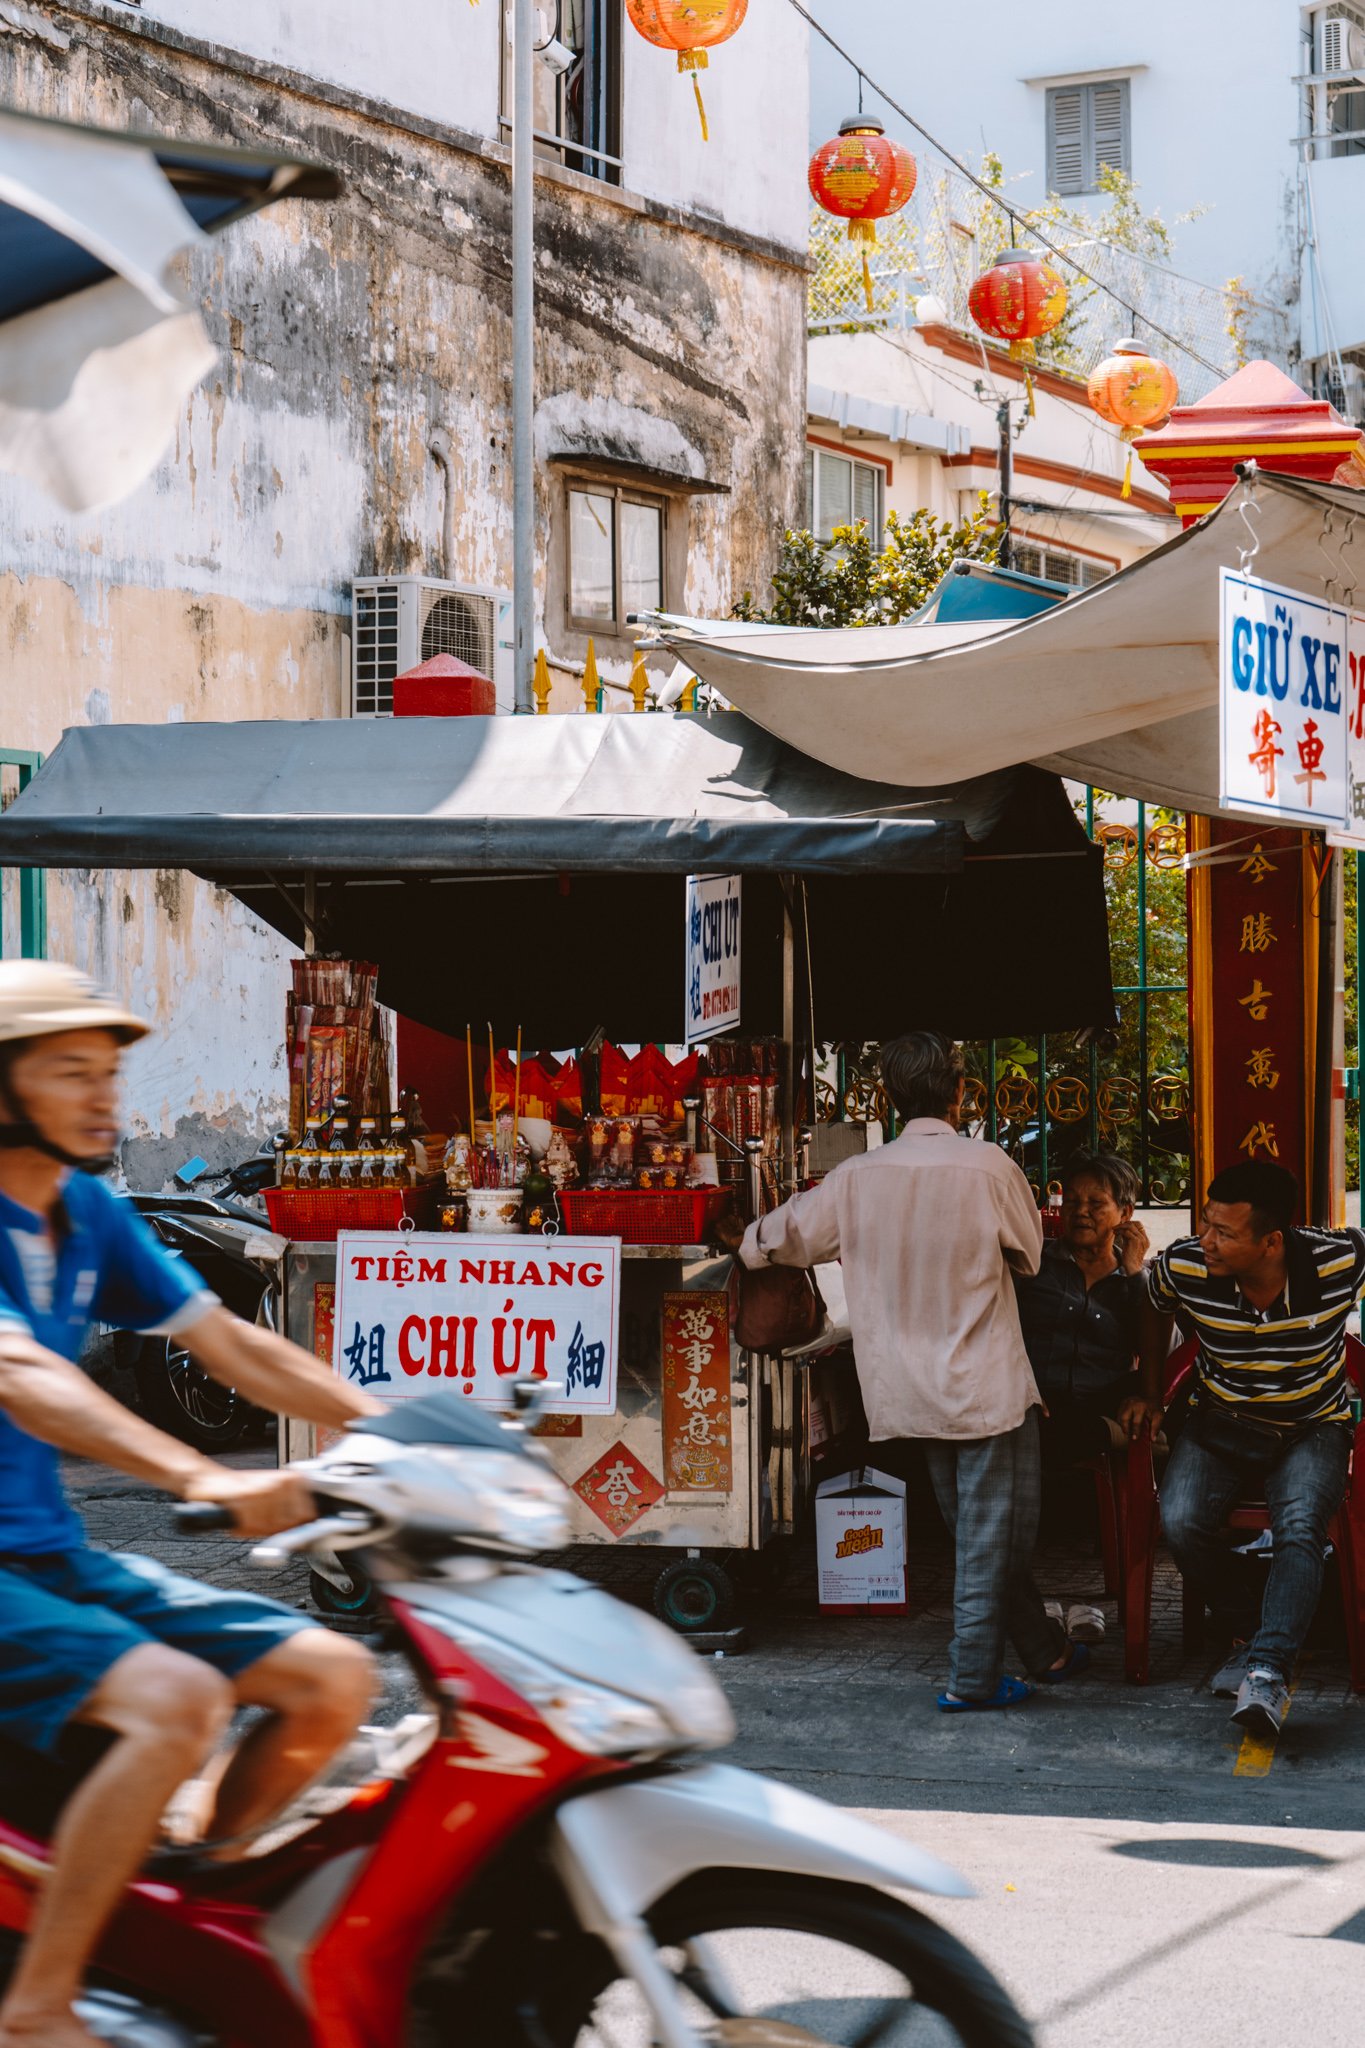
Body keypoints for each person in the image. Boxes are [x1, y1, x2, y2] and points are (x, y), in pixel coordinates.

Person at [0, 963, 385, 2048]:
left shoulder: (84, 1210)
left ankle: (171, 1925)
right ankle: (36, 2007)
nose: (103, 1096)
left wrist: (386, 1425)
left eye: (108, 1072)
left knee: (330, 1676)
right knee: (177, 1699)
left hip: (50, 1557)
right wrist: (201, 1472)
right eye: (70, 1072)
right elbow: (24, 1371)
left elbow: (226, 1339)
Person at [732, 1031, 1087, 1711]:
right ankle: (971, 1679)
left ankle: (1045, 1651)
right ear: (958, 1092)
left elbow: (773, 1240)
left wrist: (739, 1243)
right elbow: (1030, 1257)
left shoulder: (857, 1177)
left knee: (982, 1533)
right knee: (990, 1535)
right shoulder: (988, 1167)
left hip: (905, 1386)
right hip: (983, 1381)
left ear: (888, 1100)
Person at [1121, 1158, 1364, 1739]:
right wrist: (1151, 1391)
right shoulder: (1185, 1265)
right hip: (1220, 1423)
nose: (1206, 1241)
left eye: (1224, 1233)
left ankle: (1267, 1671)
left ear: (1272, 1241)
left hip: (1313, 1426)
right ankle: (1258, 1623)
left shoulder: (1339, 1261)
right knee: (1179, 1521)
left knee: (1300, 1524)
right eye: (1206, 1224)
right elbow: (1152, 1304)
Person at [1015, 1151, 1149, 1644]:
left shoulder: (1138, 1279)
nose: (1081, 1211)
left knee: (1083, 1429)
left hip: (1098, 1406)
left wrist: (1135, 1275)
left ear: (1125, 1214)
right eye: (1072, 1201)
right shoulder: (1036, 1265)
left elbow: (1155, 1350)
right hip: (1036, 1401)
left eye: (1097, 1202)